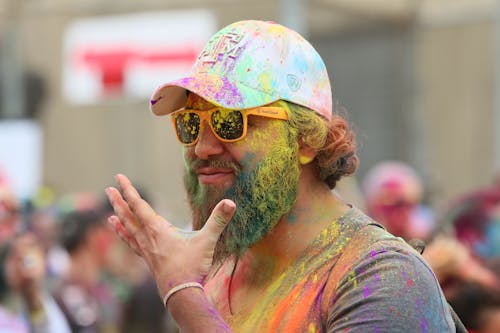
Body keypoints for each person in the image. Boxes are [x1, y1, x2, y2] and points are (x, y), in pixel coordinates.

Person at [105, 20, 456, 332]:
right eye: (190, 123)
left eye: (231, 121)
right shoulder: (213, 272)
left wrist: (184, 298)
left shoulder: (383, 281)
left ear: (305, 139)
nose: (202, 148)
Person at [363, 160, 435, 241]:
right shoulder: (365, 237)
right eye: (389, 208)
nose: (398, 215)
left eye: (406, 206)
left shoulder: (425, 230)